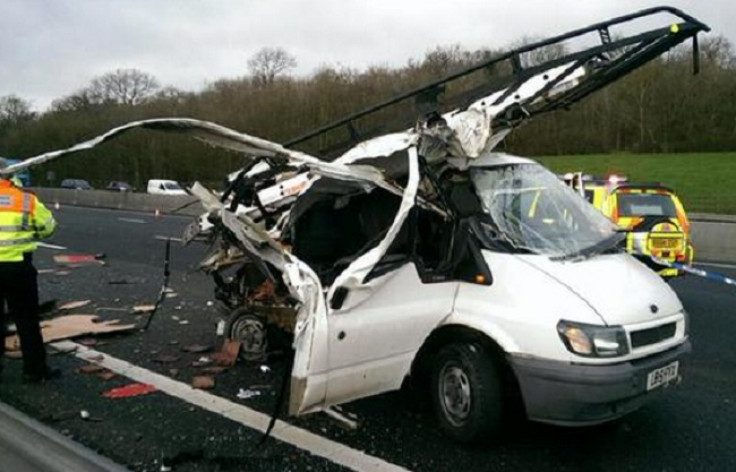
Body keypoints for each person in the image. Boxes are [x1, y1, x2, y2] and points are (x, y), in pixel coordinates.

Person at [0, 173, 59, 383]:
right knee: (27, 320)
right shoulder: (25, 200)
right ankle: (34, 371)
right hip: (18, 267)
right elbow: (49, 228)